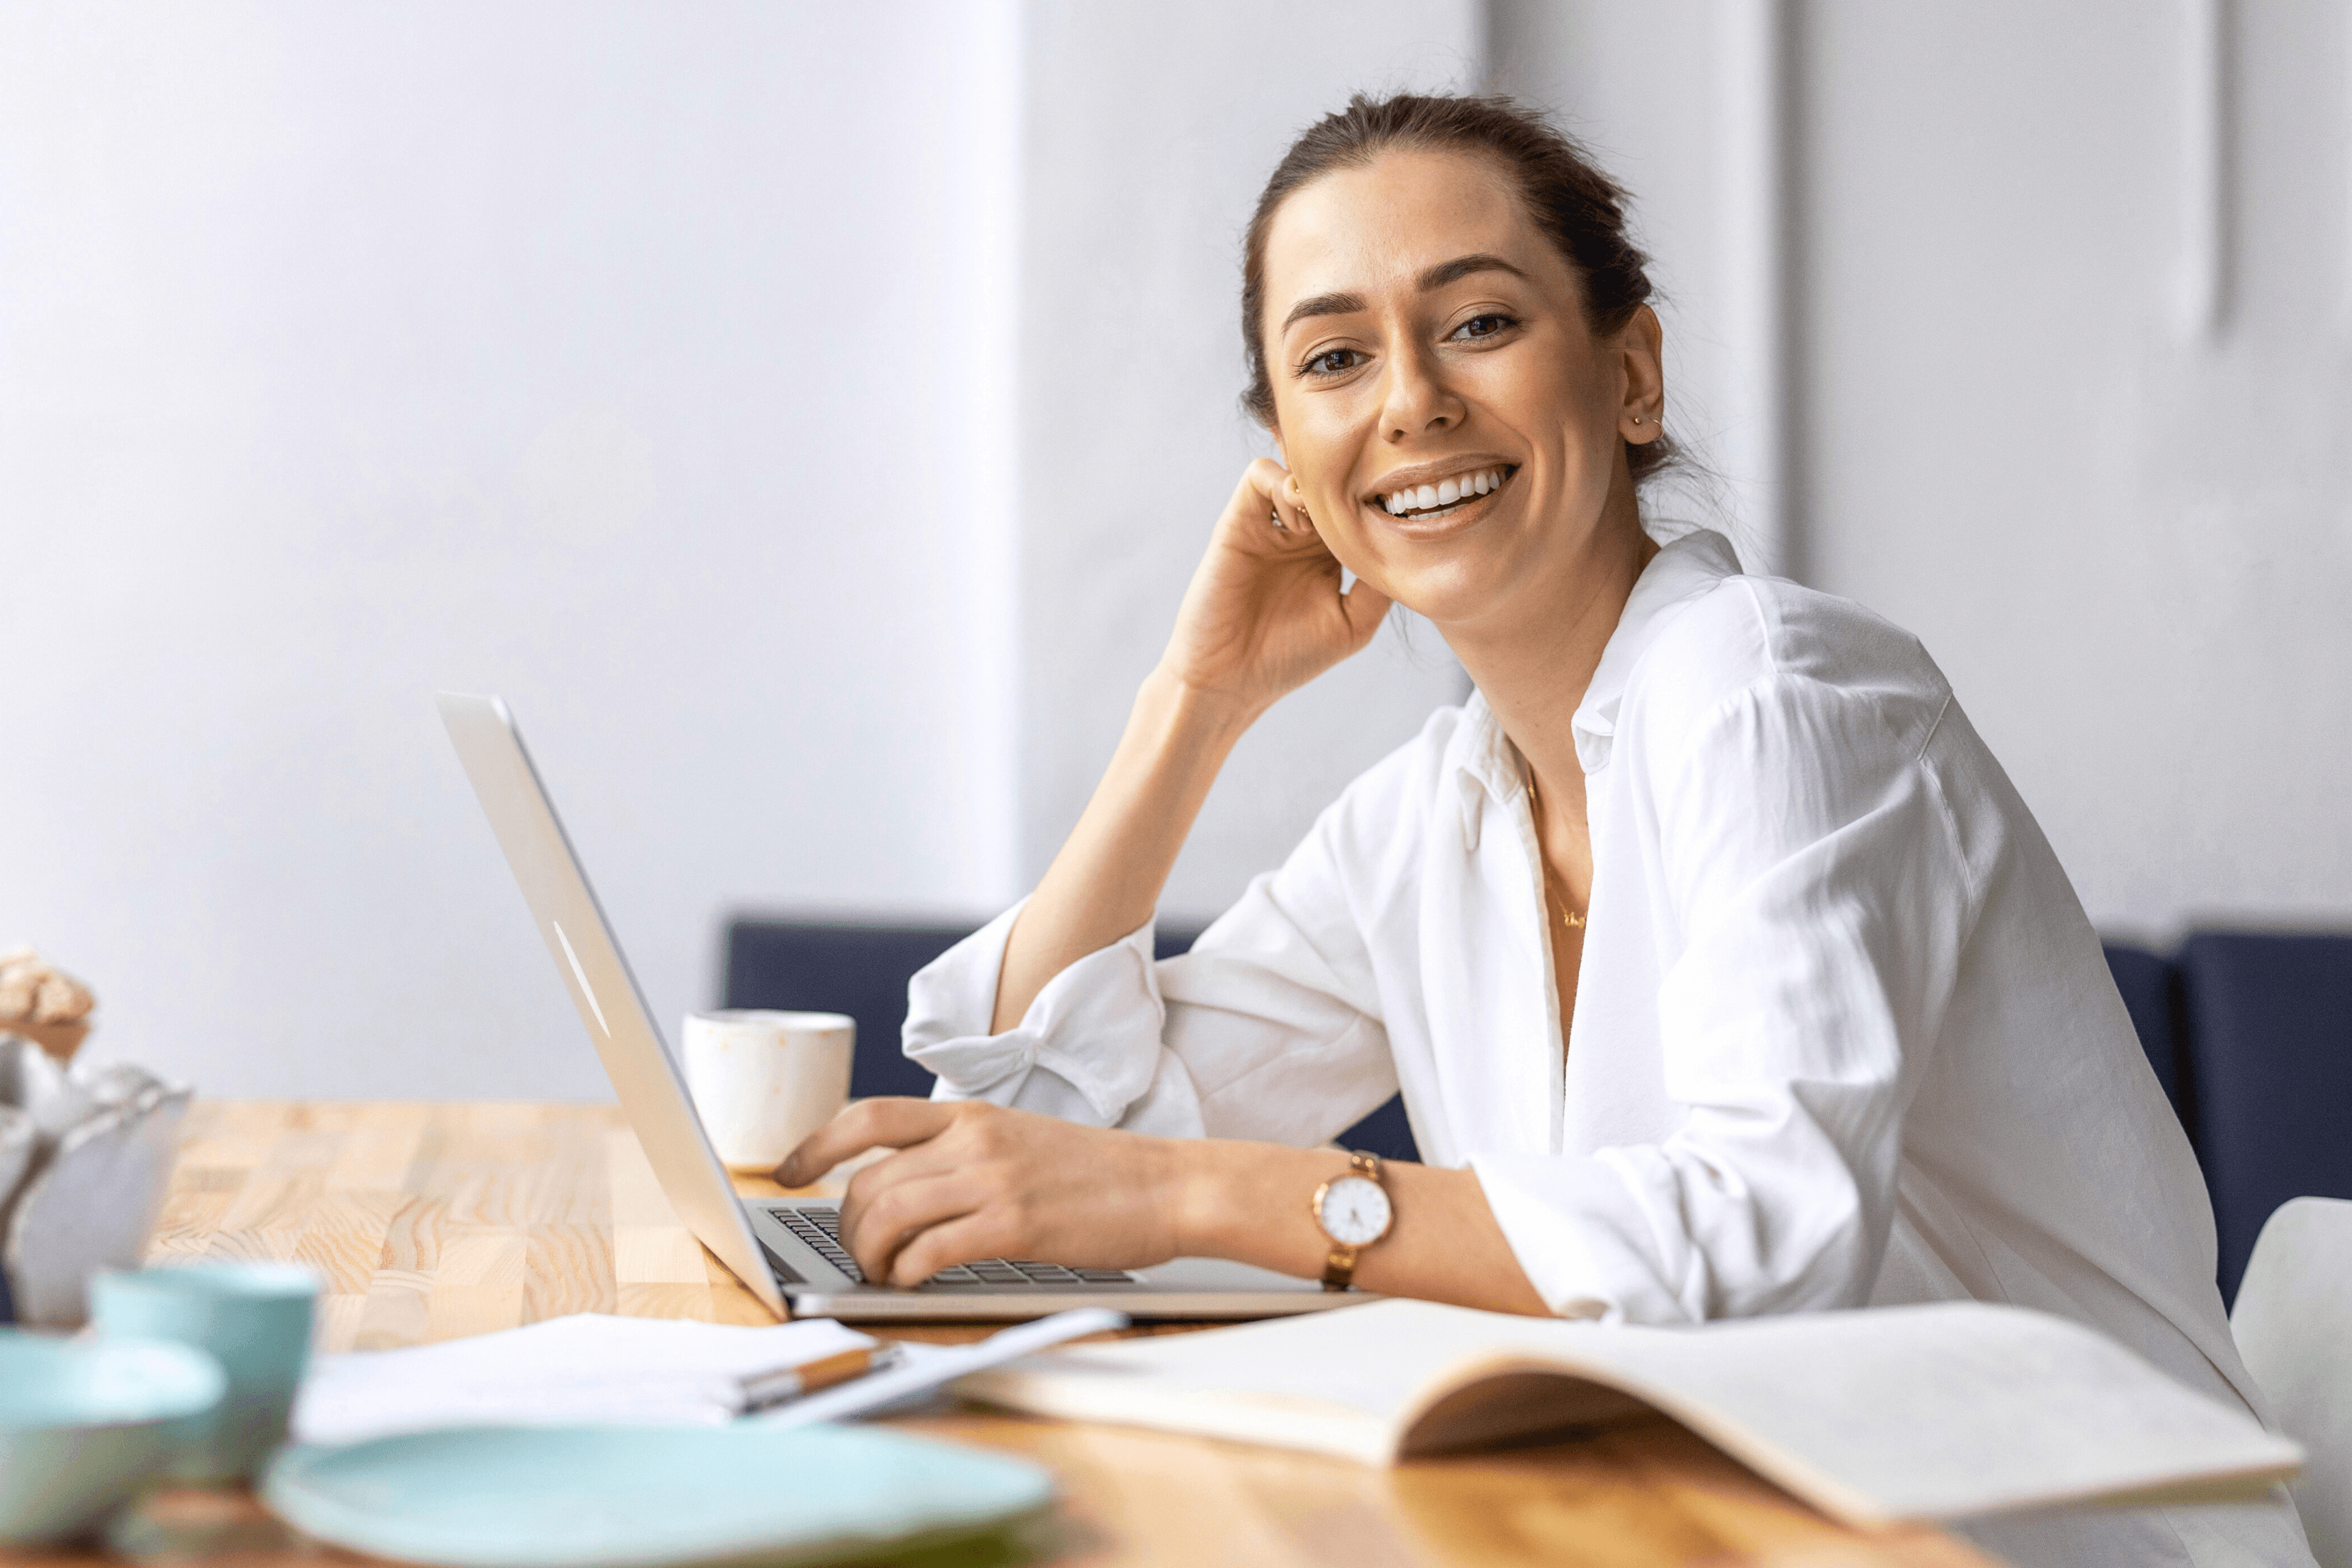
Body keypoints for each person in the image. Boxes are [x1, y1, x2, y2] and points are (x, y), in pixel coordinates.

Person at [782, 92, 2310, 1564]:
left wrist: (1192, 1199)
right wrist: (1193, 701)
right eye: (1334, 357)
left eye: (1481, 323)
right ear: (1291, 466)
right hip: (1698, 1524)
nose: (1411, 401)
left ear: (1631, 374)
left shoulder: (1768, 693)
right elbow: (1060, 1150)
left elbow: (1763, 1247)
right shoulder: (1430, 816)